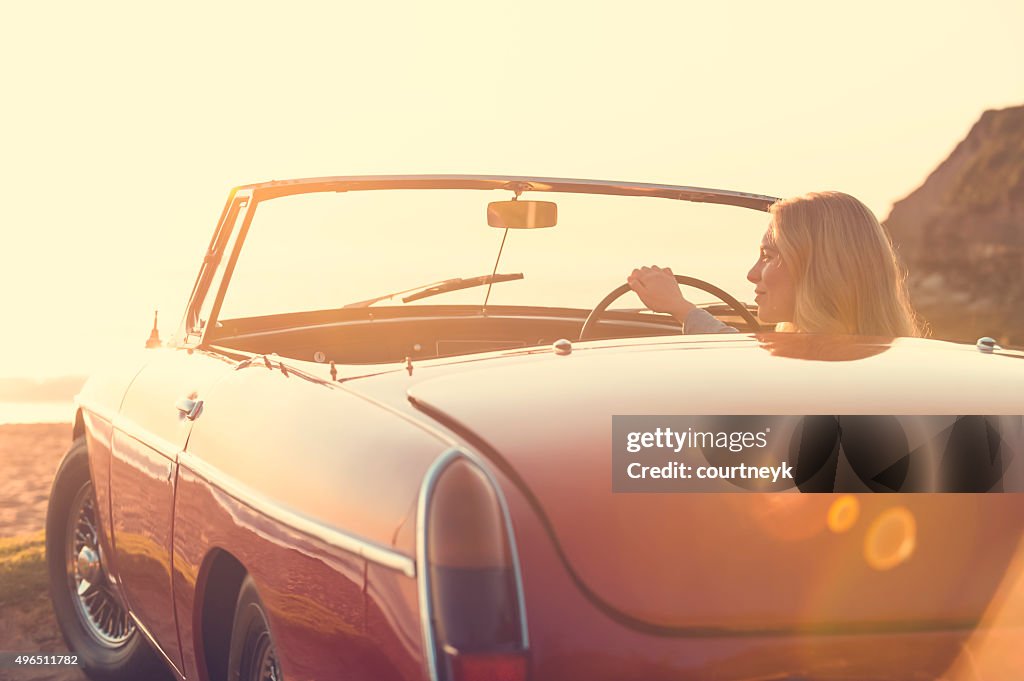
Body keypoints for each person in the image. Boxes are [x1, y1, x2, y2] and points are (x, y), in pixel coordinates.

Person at [627, 191, 923, 336]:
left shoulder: (805, 375)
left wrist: (681, 308)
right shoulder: (905, 368)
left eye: (768, 256)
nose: (751, 274)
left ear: (818, 270)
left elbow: (738, 362)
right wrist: (682, 309)